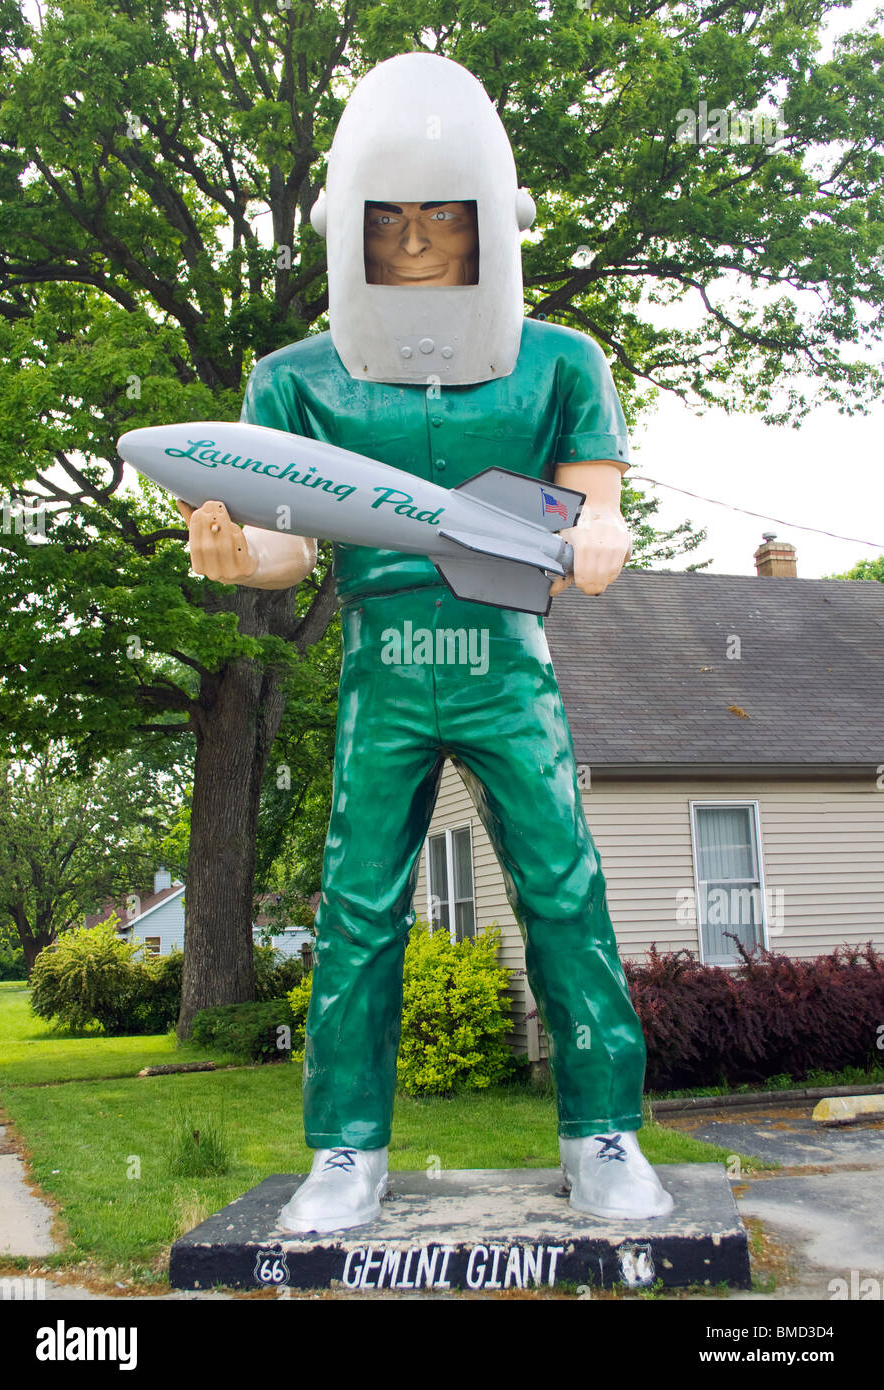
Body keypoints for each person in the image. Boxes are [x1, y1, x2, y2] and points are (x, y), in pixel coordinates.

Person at [178, 52, 673, 1232]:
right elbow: (292, 539)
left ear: (492, 227)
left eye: (437, 223)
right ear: (348, 226)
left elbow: (593, 502)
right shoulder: (291, 380)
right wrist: (243, 558)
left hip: (509, 659)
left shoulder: (561, 361)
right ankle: (346, 1149)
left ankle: (603, 1126)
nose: (414, 245)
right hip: (383, 665)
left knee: (563, 890)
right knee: (357, 904)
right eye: (389, 224)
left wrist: (600, 528)